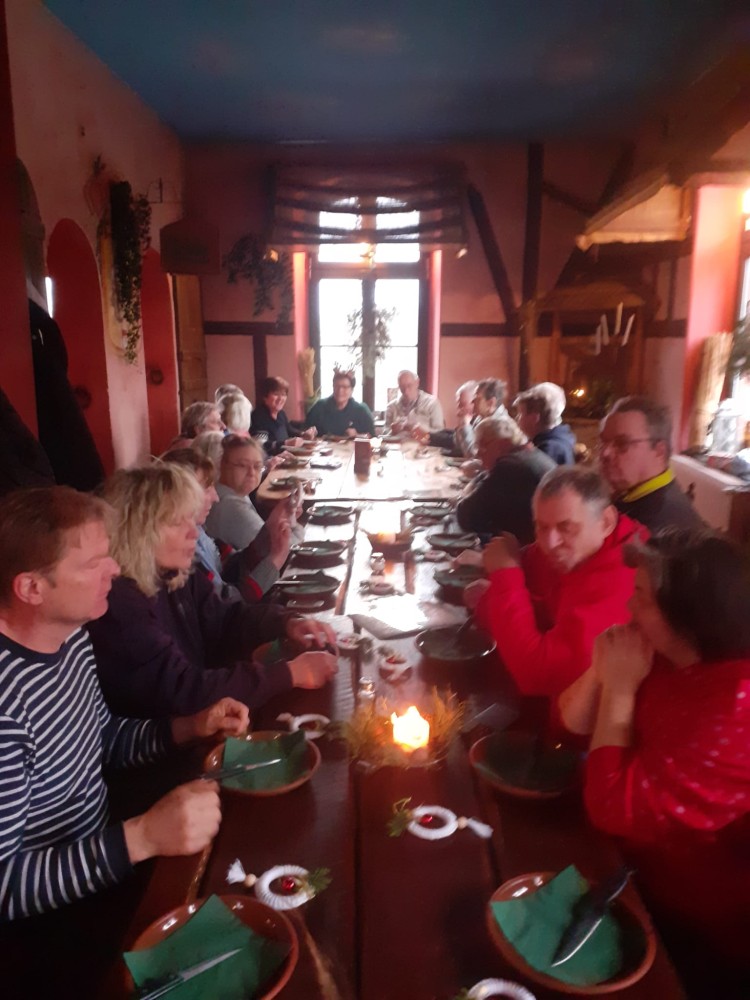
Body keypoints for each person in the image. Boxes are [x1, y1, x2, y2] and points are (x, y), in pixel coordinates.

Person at [0, 485, 248, 922]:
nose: (115, 569)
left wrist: (190, 725)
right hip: (48, 926)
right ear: (31, 588)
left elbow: (106, 739)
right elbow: (5, 887)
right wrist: (142, 838)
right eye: (94, 563)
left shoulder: (72, 638)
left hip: (106, 858)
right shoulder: (7, 706)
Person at [558, 529, 750, 990]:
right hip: (623, 870)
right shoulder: (671, 655)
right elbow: (569, 723)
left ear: (688, 616)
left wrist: (620, 687)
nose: (628, 606)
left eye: (641, 596)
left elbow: (610, 807)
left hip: (687, 927)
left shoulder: (735, 703)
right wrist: (602, 671)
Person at [88, 465, 337, 718]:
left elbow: (227, 619)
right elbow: (187, 690)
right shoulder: (119, 606)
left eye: (191, 518)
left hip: (211, 718)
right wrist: (291, 674)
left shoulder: (174, 573)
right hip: (175, 734)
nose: (193, 532)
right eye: (177, 522)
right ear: (138, 532)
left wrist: (287, 622)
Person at [467, 466, 646, 697]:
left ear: (606, 522)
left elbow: (538, 676)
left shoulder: (623, 578)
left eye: (566, 528)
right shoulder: (580, 550)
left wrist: (504, 574)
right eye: (541, 527)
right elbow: (522, 584)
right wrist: (493, 593)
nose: (550, 544)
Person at [164, 449, 290, 601]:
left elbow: (231, 566)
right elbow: (228, 606)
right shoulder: (183, 553)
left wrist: (270, 529)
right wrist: (276, 560)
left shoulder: (200, 531)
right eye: (206, 489)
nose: (215, 497)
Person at [599, 396, 703, 532]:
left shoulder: (658, 528)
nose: (605, 453)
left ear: (659, 451)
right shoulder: (634, 494)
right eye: (603, 442)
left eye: (622, 443)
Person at [455, 415, 555, 544]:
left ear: (503, 442)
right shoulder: (531, 454)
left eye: (483, 446)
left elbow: (465, 517)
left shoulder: (510, 467)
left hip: (526, 548)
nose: (478, 453)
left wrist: (465, 493)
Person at [204, 434, 297, 551]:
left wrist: (287, 518)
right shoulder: (230, 504)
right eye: (242, 465)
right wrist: (295, 526)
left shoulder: (234, 493)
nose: (252, 473)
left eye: (257, 466)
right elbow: (279, 549)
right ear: (222, 465)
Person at [514, 382, 576, 465]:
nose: (517, 419)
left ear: (534, 418)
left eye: (520, 414)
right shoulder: (561, 439)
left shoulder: (546, 452)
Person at [251, 375, 314, 454]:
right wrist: (286, 443)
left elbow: (289, 430)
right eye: (276, 394)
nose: (280, 398)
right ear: (265, 397)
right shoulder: (259, 416)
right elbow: (260, 445)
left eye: (283, 394)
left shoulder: (281, 414)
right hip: (270, 460)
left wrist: (303, 434)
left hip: (285, 457)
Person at [304, 370, 374, 437]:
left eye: (345, 387)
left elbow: (372, 438)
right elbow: (304, 430)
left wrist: (356, 435)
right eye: (337, 386)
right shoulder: (320, 407)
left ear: (352, 390)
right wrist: (309, 433)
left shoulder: (361, 411)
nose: (340, 390)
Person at [413, 380, 476, 452]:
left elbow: (454, 442)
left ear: (474, 402)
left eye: (462, 404)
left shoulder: (480, 422)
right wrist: (428, 433)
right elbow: (454, 435)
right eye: (458, 404)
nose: (459, 409)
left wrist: (427, 435)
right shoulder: (470, 418)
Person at [455, 377, 507, 456]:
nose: (472, 402)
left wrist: (465, 426)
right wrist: (461, 425)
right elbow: (460, 448)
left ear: (491, 403)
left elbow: (474, 455)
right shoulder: (481, 418)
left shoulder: (499, 424)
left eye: (477, 399)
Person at [385, 370, 444, 435]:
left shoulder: (432, 403)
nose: (406, 391)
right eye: (402, 387)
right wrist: (393, 431)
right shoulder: (391, 407)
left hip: (423, 441)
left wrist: (423, 430)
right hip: (398, 441)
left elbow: (440, 433)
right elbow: (384, 434)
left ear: (417, 383)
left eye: (409, 385)